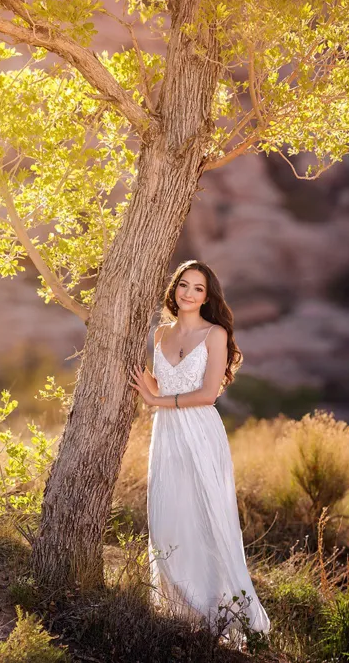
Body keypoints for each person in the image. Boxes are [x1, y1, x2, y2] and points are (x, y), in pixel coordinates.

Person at [128, 259, 271, 642]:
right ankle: (178, 608)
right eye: (184, 285)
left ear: (208, 297)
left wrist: (156, 401)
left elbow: (208, 394)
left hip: (201, 434)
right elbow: (166, 383)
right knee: (169, 515)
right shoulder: (160, 334)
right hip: (167, 435)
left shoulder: (215, 334)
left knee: (206, 517)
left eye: (198, 289)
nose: (189, 294)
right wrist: (150, 387)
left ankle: (217, 610)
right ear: (174, 289)